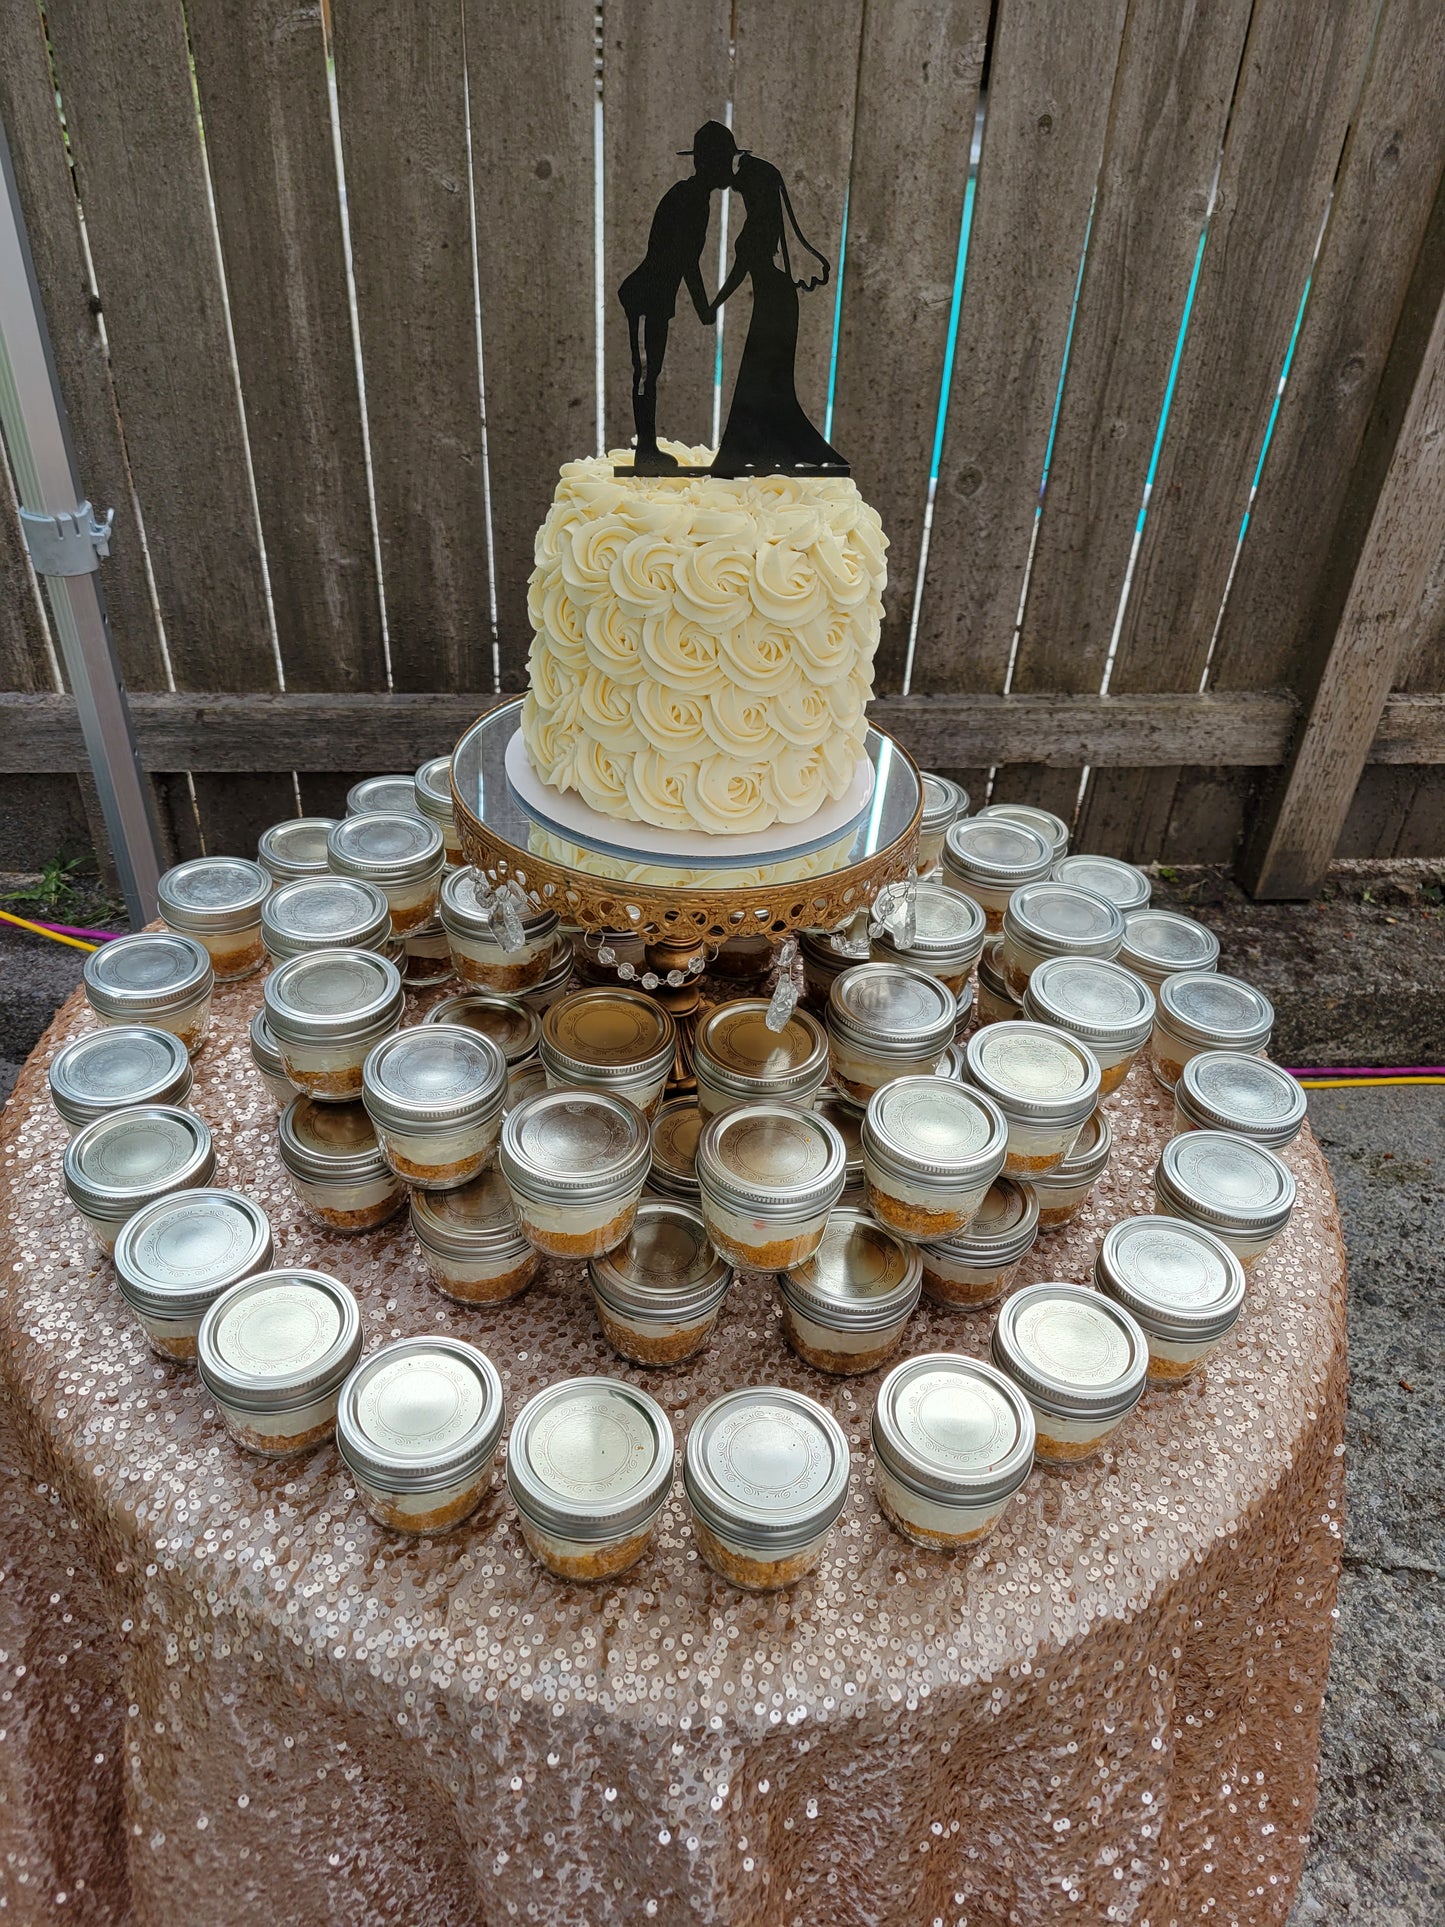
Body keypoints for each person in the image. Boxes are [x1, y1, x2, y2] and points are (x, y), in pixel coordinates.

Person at [706, 153, 847, 478]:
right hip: (775, 300)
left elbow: (738, 273)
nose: (742, 196)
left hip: (775, 304)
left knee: (761, 378)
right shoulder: (763, 220)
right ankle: (761, 451)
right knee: (765, 379)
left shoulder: (760, 224)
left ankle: (748, 453)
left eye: (745, 191)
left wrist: (714, 304)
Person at [616, 121, 737, 473]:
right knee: (644, 373)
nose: (729, 168)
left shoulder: (699, 198)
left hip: (658, 300)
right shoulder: (687, 198)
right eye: (724, 160)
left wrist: (703, 307)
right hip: (644, 297)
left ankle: (648, 448)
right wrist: (702, 308)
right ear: (706, 162)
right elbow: (686, 259)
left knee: (651, 371)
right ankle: (645, 450)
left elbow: (686, 259)